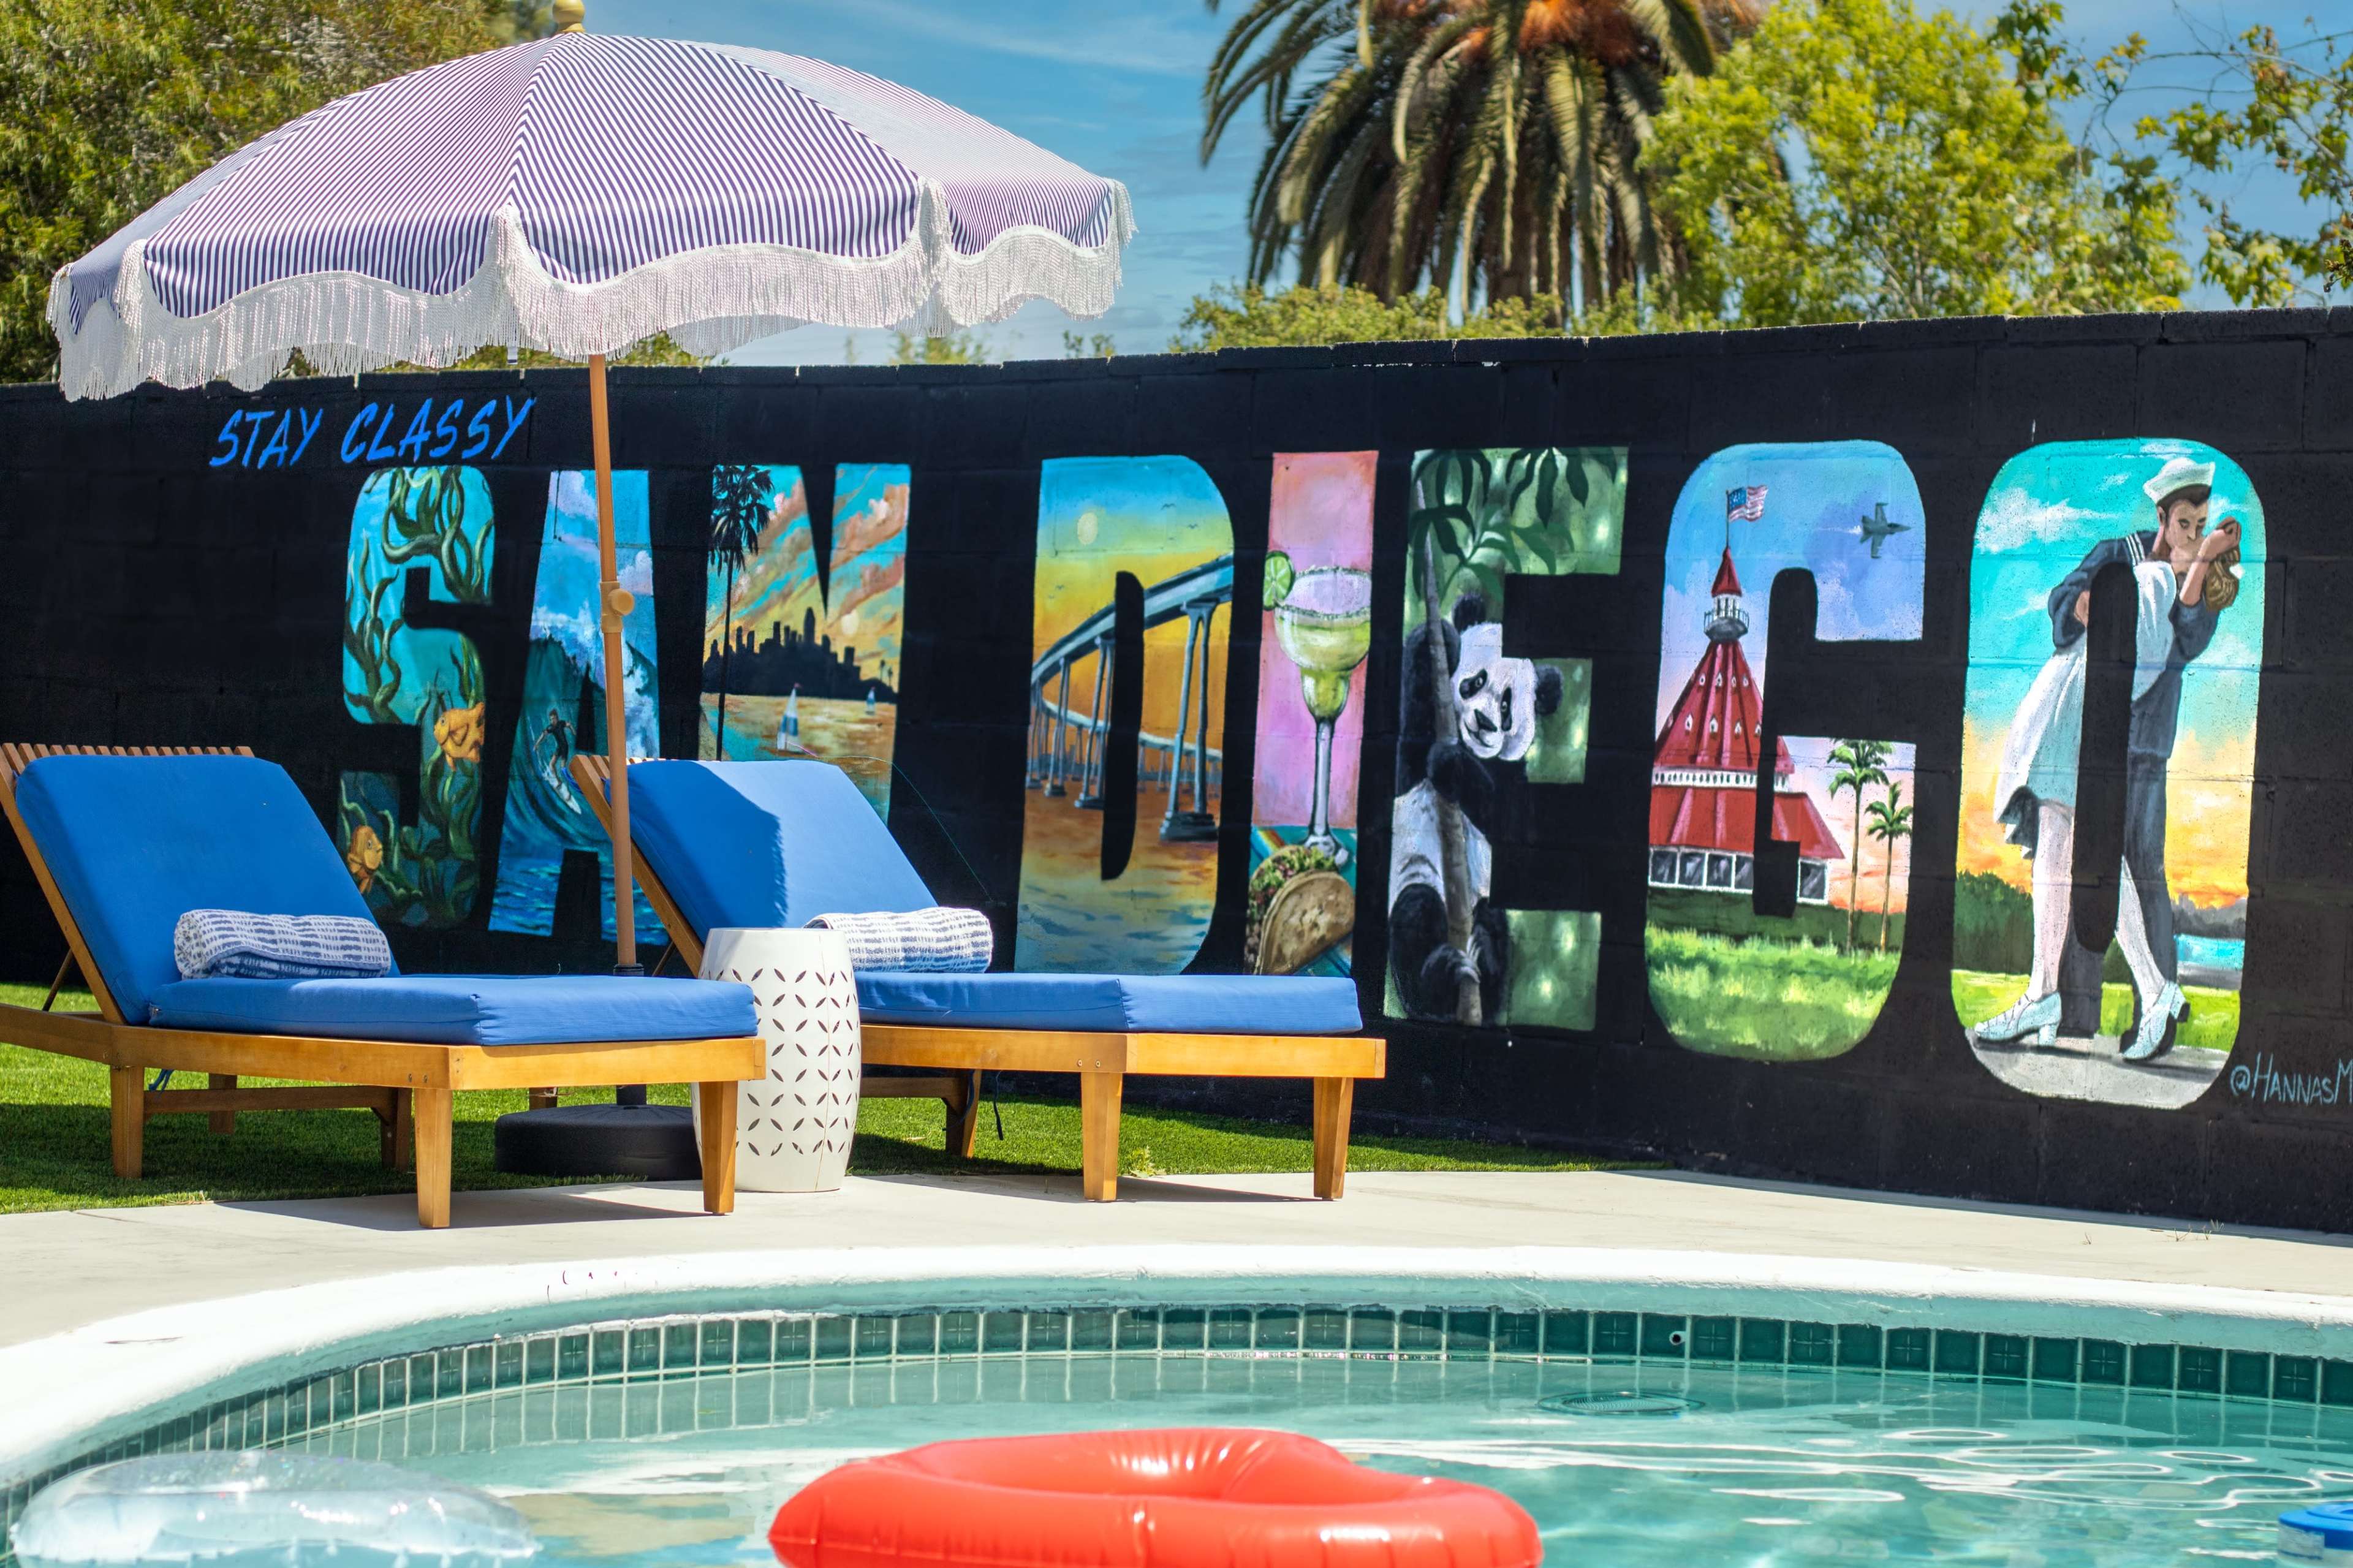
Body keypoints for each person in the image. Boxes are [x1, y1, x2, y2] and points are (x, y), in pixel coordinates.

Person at [1974, 455, 2240, 1062]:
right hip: (2085, 724)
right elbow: (2063, 600)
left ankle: (2135, 996)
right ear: (2163, 517)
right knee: (2070, 846)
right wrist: (2084, 604)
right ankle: (2068, 1003)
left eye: (2201, 524)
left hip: (2137, 739)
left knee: (2128, 859)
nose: (2192, 533)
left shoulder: (2178, 580)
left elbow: (2185, 640)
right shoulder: (2119, 553)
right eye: (2185, 523)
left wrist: (2198, 563)